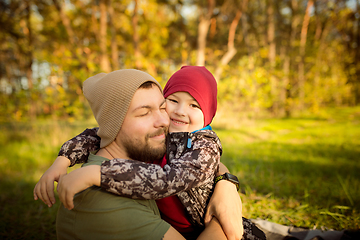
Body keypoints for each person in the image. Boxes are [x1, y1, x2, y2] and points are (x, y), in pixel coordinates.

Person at [34, 67, 258, 239]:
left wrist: (225, 182)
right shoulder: (107, 207)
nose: (166, 119)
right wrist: (63, 160)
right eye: (145, 113)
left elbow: (173, 176)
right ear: (114, 126)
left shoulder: (195, 145)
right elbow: (93, 135)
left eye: (161, 107)